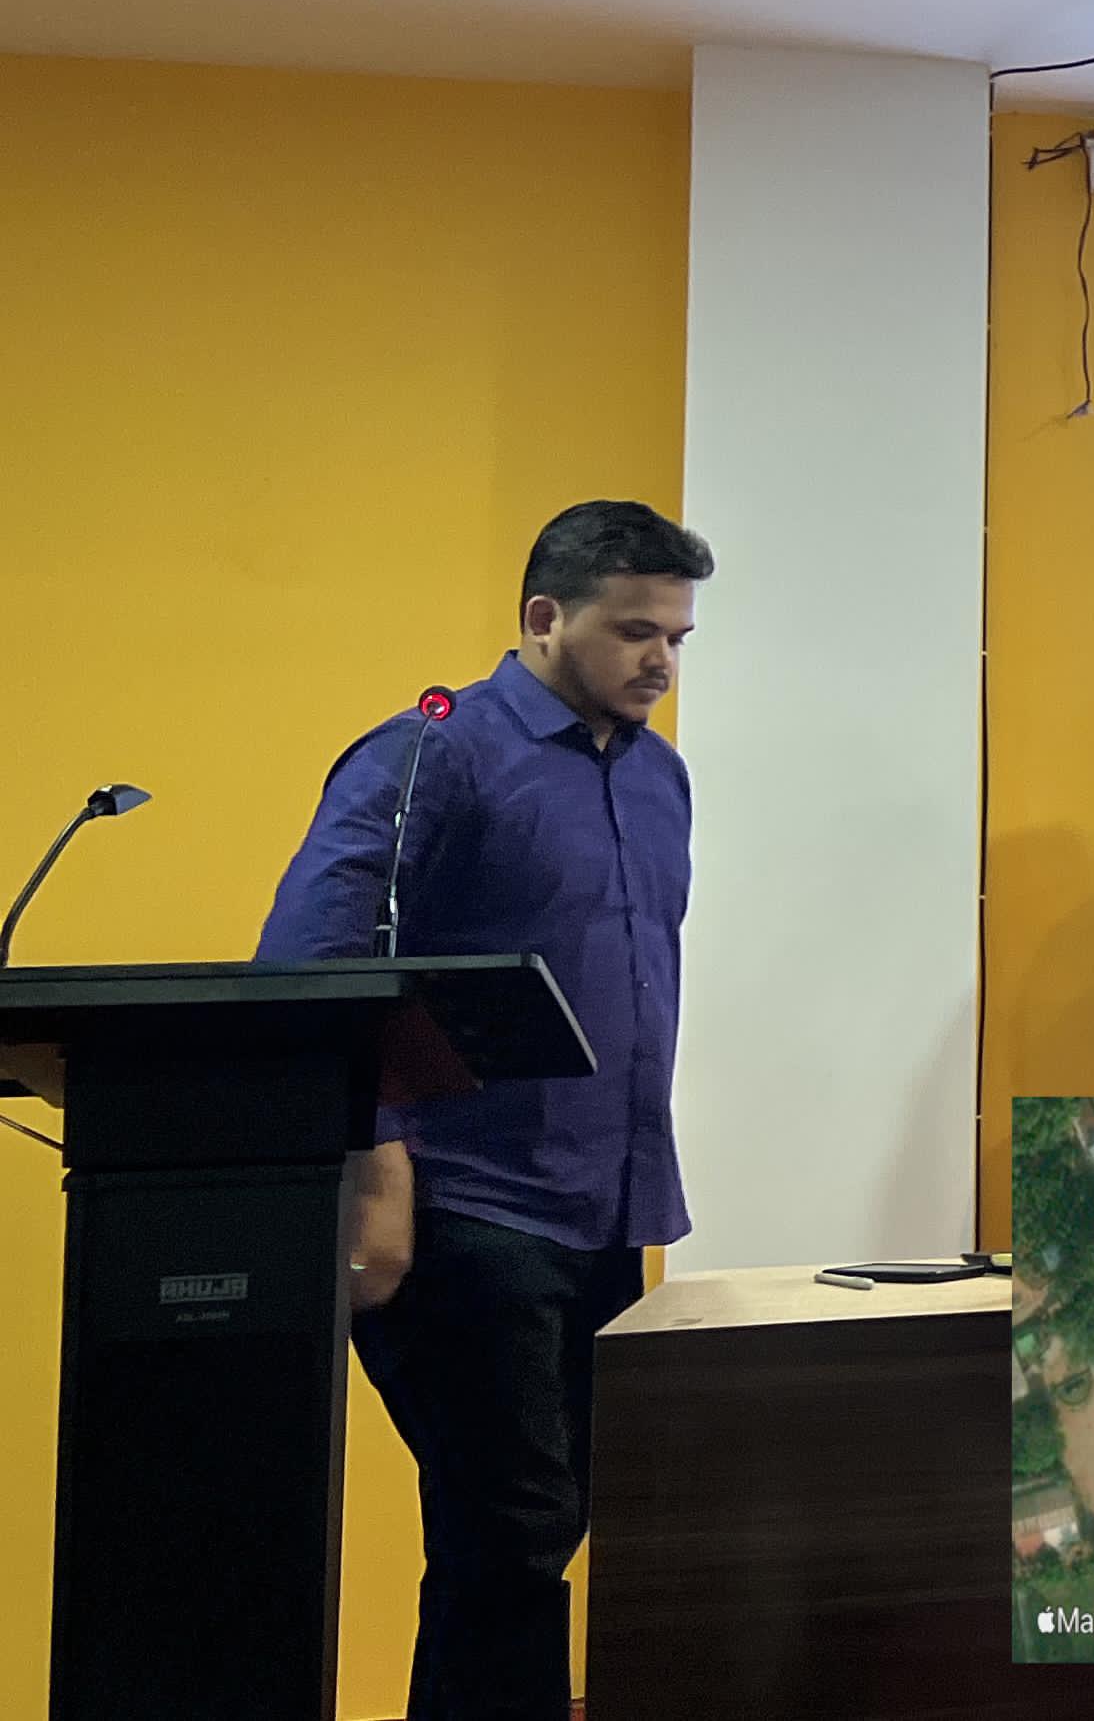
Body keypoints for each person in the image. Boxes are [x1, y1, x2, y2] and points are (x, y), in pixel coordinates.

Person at [256, 499, 710, 1721]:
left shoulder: (660, 778)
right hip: (463, 1202)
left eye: (676, 637)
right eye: (635, 633)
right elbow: (312, 969)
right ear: (544, 617)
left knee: (544, 1520)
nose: (661, 663)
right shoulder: (429, 755)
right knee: (509, 1523)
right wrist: (377, 1164)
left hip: (605, 1207)